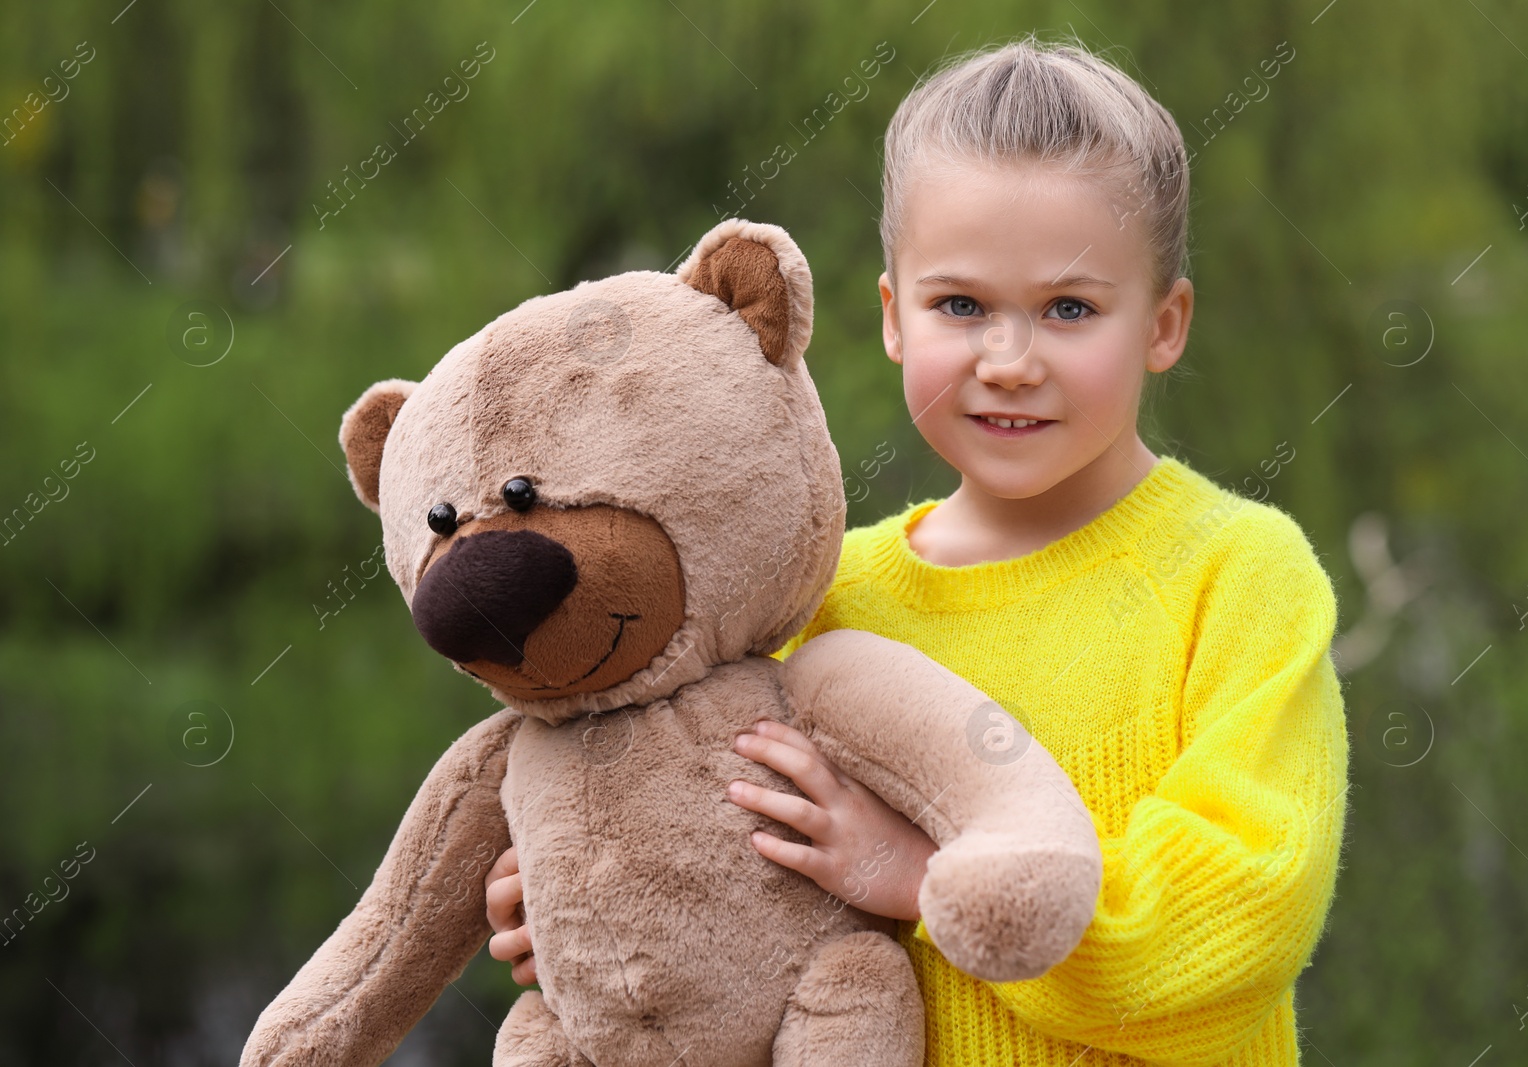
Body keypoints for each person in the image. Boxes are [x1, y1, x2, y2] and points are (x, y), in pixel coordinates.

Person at [487, 35, 1348, 1065]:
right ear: (893, 317)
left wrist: (920, 878)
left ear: (1163, 324)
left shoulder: (1239, 574)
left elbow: (1241, 917)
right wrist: (597, 897)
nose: (1008, 361)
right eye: (961, 305)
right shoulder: (820, 596)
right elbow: (741, 901)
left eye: (1069, 308)